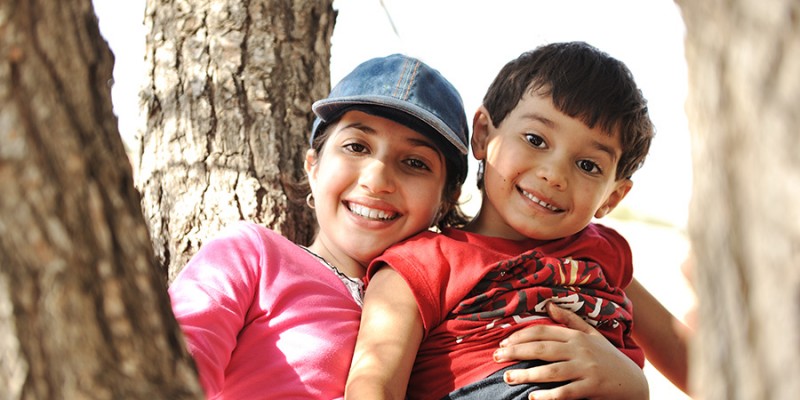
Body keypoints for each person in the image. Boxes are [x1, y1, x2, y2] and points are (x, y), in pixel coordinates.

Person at [168, 53, 650, 399]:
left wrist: (635, 384)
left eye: (415, 162)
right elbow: (175, 365)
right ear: (313, 164)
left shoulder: (510, 269)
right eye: (356, 147)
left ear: (445, 199)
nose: (377, 178)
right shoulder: (254, 254)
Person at [346, 42, 658, 400]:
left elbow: (703, 367)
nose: (554, 175)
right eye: (535, 139)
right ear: (482, 133)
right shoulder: (422, 263)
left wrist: (633, 384)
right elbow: (373, 386)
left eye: (588, 165)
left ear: (613, 197)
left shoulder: (603, 253)